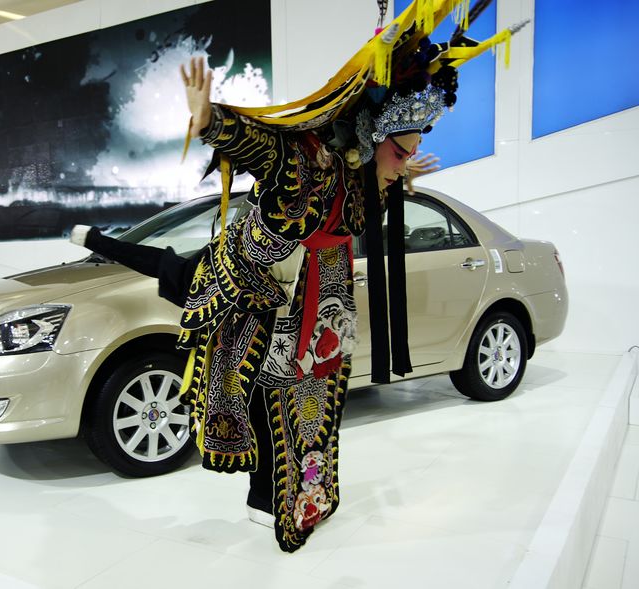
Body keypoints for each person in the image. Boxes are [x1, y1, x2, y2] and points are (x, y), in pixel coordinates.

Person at [71, 0, 519, 552]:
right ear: (375, 136)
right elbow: (262, 145)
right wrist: (209, 120)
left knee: (315, 405)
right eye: (402, 152)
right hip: (247, 286)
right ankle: (95, 240)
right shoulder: (309, 160)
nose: (406, 161)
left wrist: (396, 182)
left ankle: (304, 497)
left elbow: (358, 220)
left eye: (410, 154)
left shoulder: (360, 181)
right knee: (187, 292)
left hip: (319, 303)